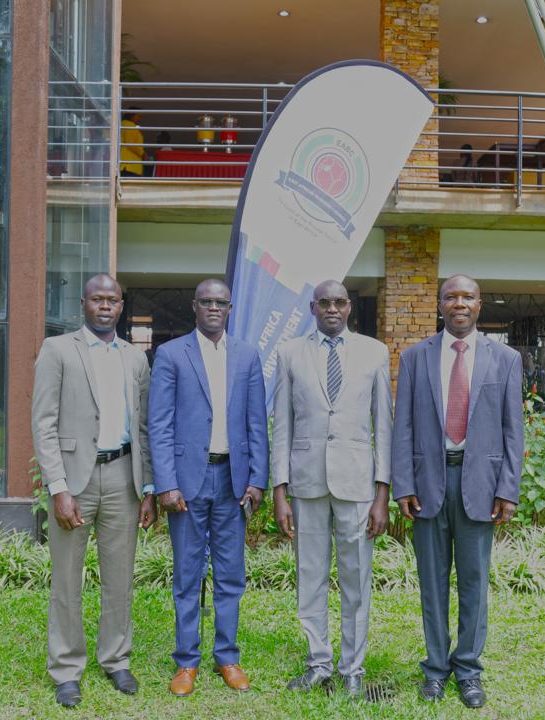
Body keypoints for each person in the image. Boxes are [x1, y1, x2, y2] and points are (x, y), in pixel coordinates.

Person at [390, 274, 523, 709]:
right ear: (440, 304)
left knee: (473, 581)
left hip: (480, 485)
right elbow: (403, 426)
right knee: (431, 583)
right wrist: (403, 484)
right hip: (428, 483)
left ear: (480, 305)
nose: (459, 303)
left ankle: (467, 669)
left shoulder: (505, 359)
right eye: (451, 297)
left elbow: (512, 431)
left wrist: (508, 489)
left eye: (467, 297)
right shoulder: (414, 358)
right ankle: (435, 669)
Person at [31, 273, 155, 708]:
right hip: (74, 481)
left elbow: (143, 428)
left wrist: (149, 487)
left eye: (113, 300)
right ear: (83, 303)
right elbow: (43, 424)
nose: (106, 306)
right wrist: (59, 488)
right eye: (98, 299)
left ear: (122, 306)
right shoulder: (58, 350)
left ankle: (116, 659)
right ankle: (66, 669)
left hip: (124, 477)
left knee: (119, 578)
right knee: (67, 579)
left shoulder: (135, 358)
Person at [272, 280, 392, 700]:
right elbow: (282, 425)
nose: (332, 309)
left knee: (356, 578)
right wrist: (280, 489)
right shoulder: (289, 354)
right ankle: (318, 663)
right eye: (324, 302)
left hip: (358, 484)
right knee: (310, 575)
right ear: (312, 308)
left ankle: (352, 668)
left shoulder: (374, 353)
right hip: (306, 483)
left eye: (339, 302)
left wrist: (382, 492)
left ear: (349, 307)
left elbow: (384, 427)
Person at [148, 278, 269, 696]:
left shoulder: (247, 356)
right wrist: (166, 483)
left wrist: (257, 480)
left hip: (232, 481)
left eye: (221, 302)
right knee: (187, 574)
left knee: (231, 574)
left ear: (230, 308)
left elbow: (257, 423)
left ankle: (228, 657)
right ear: (194, 307)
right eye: (207, 302)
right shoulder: (171, 354)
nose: (214, 308)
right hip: (187, 482)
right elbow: (159, 425)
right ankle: (186, 663)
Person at [120, 112, 146, 177]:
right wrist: (143, 154)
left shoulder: (122, 124)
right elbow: (131, 144)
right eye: (138, 116)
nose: (140, 119)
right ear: (131, 115)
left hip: (123, 163)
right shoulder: (129, 125)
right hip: (130, 165)